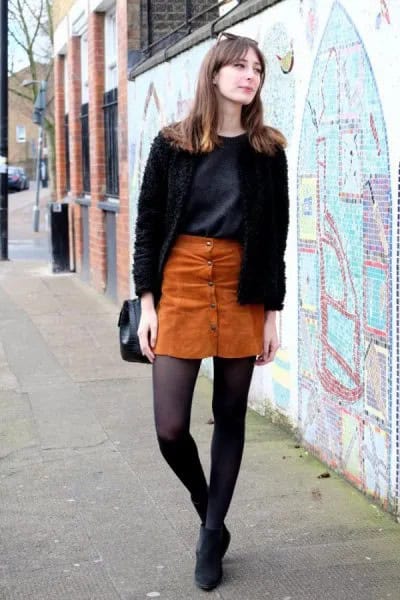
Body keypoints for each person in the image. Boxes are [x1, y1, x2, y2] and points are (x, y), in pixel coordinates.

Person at [132, 31, 289, 591]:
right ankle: (208, 510)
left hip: (242, 284)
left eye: (258, 69)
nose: (250, 76)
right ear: (215, 73)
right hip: (180, 285)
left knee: (231, 414)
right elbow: (147, 225)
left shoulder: (268, 150)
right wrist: (147, 302)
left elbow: (275, 237)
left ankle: (211, 534)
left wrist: (273, 313)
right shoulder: (171, 144)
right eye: (240, 66)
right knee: (170, 427)